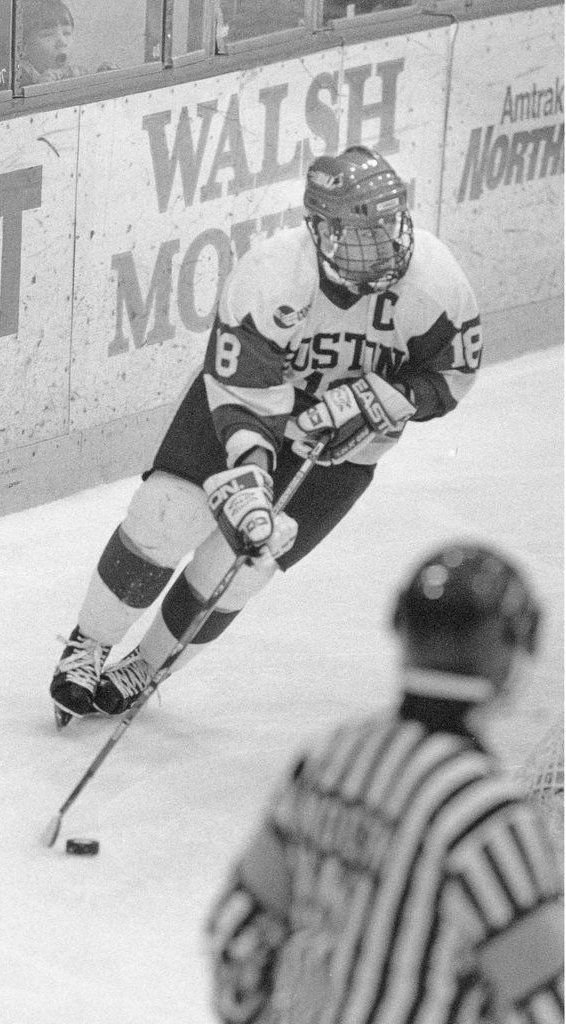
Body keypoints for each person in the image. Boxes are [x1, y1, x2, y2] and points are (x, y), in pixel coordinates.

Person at [50, 145, 483, 724]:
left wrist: (392, 399)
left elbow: (454, 372)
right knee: (167, 513)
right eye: (360, 234)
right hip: (246, 406)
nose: (381, 248)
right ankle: (89, 644)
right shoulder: (274, 273)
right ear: (320, 230)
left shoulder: (435, 280)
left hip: (347, 443)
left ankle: (147, 667)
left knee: (243, 565)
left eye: (388, 227)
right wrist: (252, 479)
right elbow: (243, 392)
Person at [206, 542, 564, 1024]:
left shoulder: (329, 759)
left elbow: (237, 930)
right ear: (510, 651)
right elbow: (545, 1001)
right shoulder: (488, 814)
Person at [18, 0, 87, 85]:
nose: (62, 42)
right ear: (24, 47)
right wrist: (39, 89)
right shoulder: (19, 80)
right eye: (48, 35)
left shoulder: (74, 73)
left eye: (67, 33)